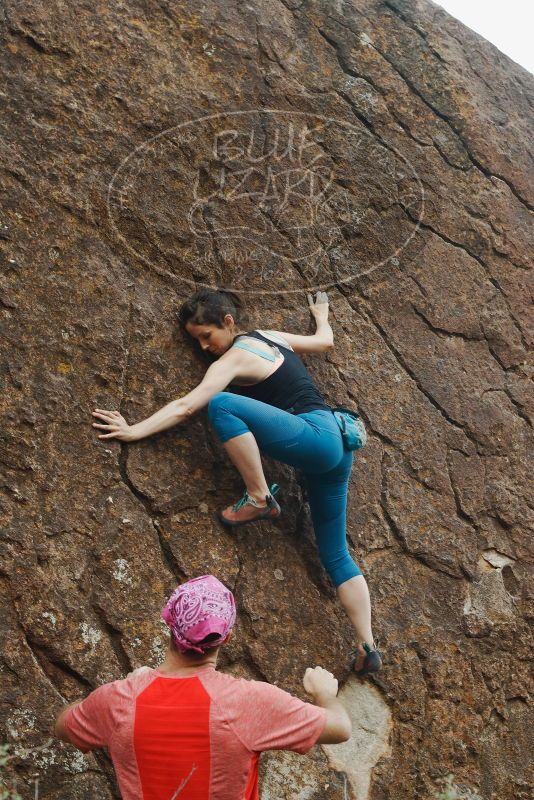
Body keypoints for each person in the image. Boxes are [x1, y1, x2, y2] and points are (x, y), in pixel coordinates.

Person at [92, 289, 381, 676]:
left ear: (228, 322)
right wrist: (322, 315)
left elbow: (186, 406)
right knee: (335, 554)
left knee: (222, 404)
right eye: (195, 340)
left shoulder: (234, 358)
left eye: (206, 335)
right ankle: (368, 645)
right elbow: (323, 342)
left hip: (314, 436)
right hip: (337, 445)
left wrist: (133, 431)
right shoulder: (271, 336)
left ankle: (260, 496)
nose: (203, 346)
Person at [54, 575, 351, 800]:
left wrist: (128, 685)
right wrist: (324, 692)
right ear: (227, 636)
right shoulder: (247, 701)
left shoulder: (119, 700)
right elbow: (340, 728)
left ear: (169, 622)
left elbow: (63, 726)